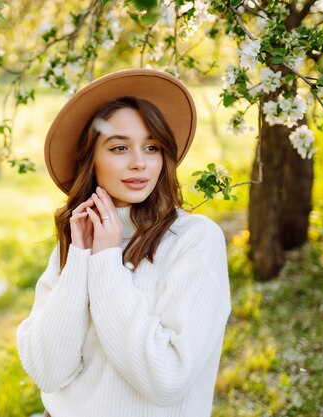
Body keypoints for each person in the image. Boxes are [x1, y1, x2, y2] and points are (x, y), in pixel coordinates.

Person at [15, 68, 232, 417]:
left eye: (152, 147)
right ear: (91, 160)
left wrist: (105, 261)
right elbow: (48, 372)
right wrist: (81, 257)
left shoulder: (194, 240)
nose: (139, 163)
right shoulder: (79, 239)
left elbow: (167, 379)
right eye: (119, 148)